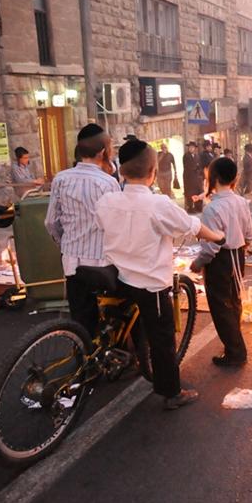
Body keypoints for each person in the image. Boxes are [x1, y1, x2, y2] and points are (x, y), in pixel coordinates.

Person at [95, 138, 225, 409]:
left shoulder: (107, 200)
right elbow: (193, 226)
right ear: (154, 172)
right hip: (148, 284)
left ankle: (121, 359)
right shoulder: (158, 205)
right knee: (162, 339)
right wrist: (219, 237)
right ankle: (171, 392)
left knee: (118, 324)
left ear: (122, 171)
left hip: (116, 276)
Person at [45, 125, 119, 339]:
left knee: (81, 319)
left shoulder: (60, 179)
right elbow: (115, 226)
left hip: (72, 262)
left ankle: (83, 358)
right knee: (122, 305)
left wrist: (66, 245)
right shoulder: (108, 183)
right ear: (103, 151)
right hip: (103, 264)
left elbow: (50, 222)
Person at [190, 157, 252, 367]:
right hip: (237, 255)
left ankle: (236, 351)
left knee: (220, 305)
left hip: (220, 259)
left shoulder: (212, 209)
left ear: (213, 178)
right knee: (233, 301)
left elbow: (212, 245)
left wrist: (199, 262)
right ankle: (233, 346)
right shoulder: (241, 201)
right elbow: (249, 233)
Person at [182, 142, 203, 213]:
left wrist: (198, 169)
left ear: (194, 148)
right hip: (189, 176)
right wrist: (194, 168)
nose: (191, 148)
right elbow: (187, 166)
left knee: (198, 191)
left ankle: (198, 207)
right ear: (188, 148)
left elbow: (199, 164)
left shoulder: (197, 156)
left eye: (192, 147)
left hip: (196, 177)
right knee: (190, 192)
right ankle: (190, 208)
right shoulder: (186, 156)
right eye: (190, 147)